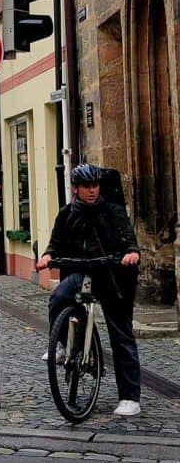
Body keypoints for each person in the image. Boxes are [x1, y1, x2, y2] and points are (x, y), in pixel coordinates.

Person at [36, 163, 142, 417]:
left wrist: (131, 253)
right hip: (82, 271)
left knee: (121, 333)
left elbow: (129, 239)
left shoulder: (112, 211)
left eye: (95, 185)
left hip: (112, 274)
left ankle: (130, 397)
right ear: (76, 189)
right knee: (59, 296)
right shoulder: (67, 213)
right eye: (87, 186)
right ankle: (61, 345)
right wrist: (47, 256)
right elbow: (55, 243)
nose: (92, 190)